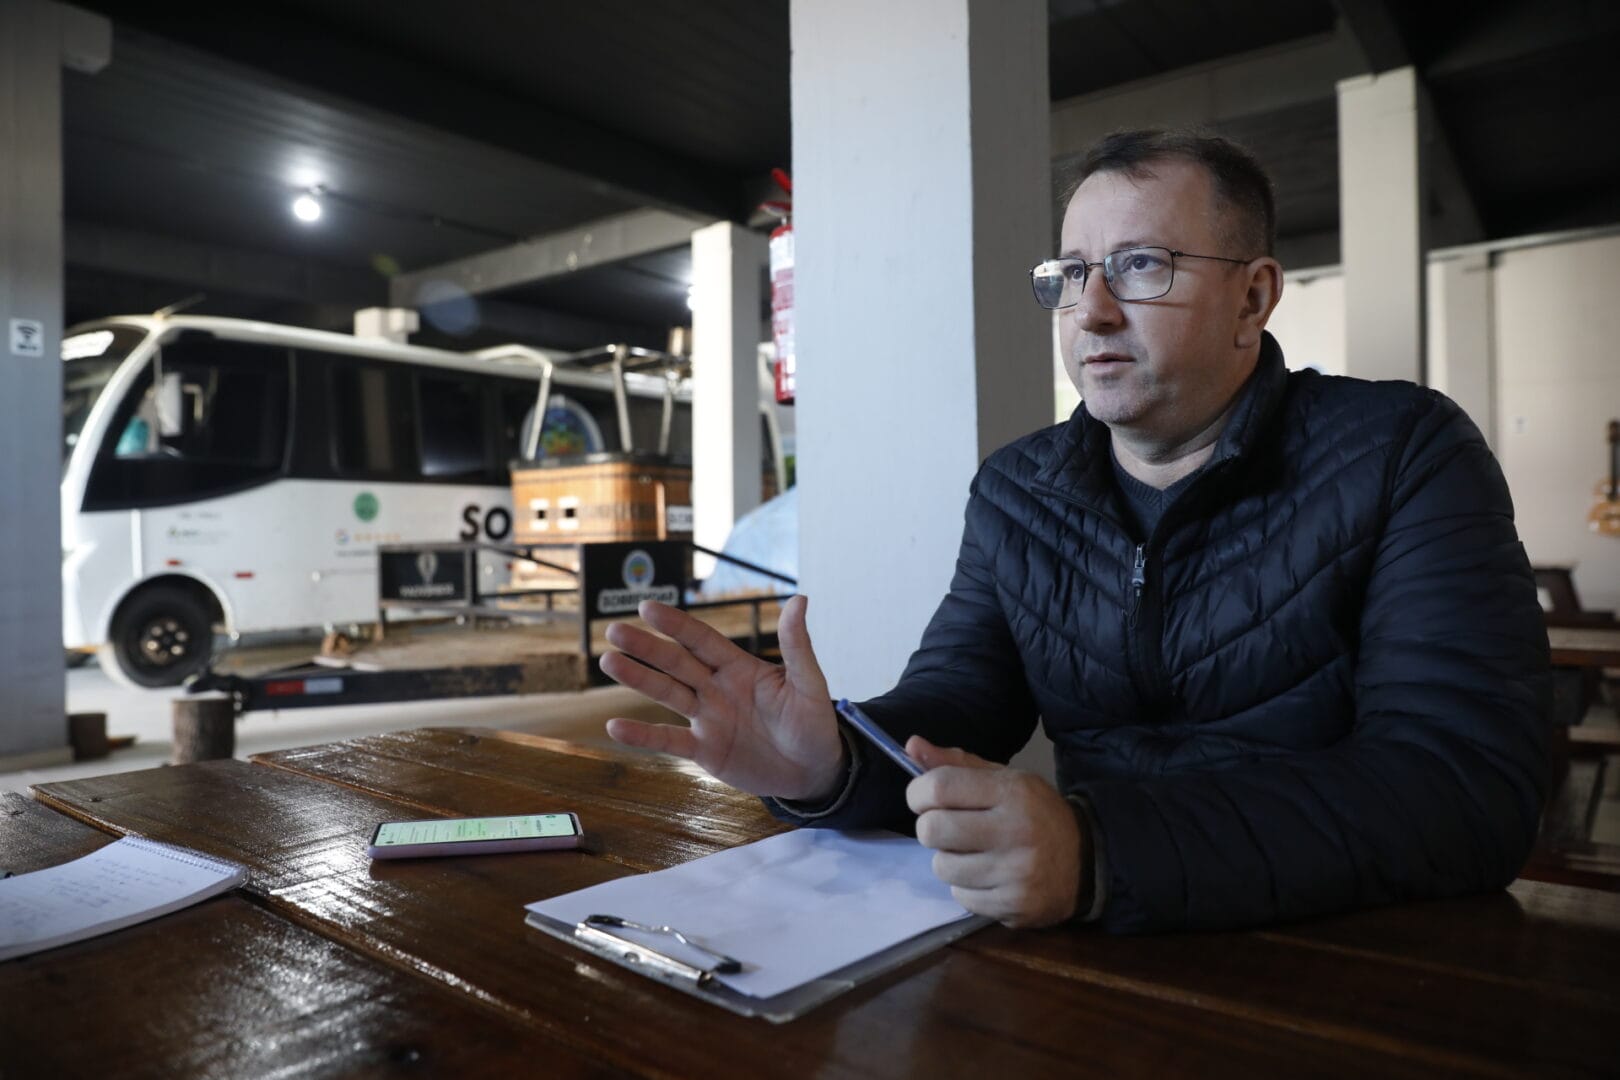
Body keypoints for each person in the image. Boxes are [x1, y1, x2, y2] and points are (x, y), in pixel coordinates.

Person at [599, 129, 1550, 934]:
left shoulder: (1401, 451)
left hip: (1360, 953)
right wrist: (834, 763)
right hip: (1108, 951)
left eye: (1143, 266)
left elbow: (1464, 788)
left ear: (1253, 298)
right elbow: (959, 703)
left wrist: (1098, 851)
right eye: (1071, 273)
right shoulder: (1019, 489)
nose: (1091, 310)